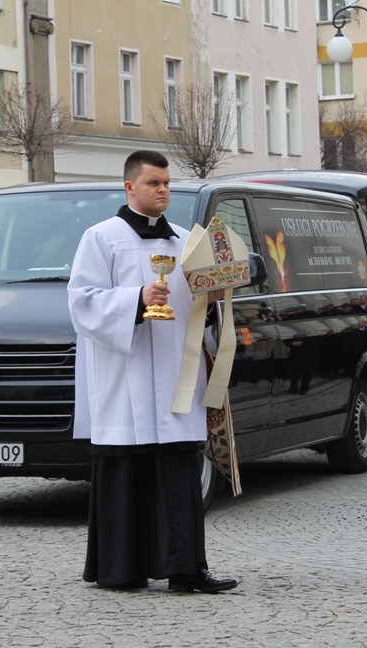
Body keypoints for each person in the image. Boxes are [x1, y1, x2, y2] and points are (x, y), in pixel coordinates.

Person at [69, 150, 237, 593]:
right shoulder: (101, 238)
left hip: (176, 376)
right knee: (127, 472)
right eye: (153, 183)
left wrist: (213, 297)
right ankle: (121, 570)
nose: (163, 190)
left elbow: (200, 310)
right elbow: (81, 303)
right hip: (125, 378)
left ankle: (188, 570)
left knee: (179, 473)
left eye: (166, 183)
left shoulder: (186, 241)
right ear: (129, 187)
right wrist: (135, 300)